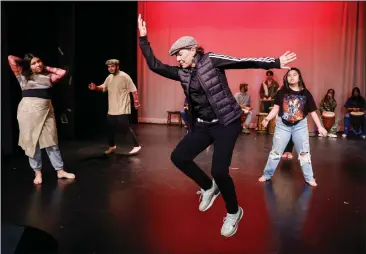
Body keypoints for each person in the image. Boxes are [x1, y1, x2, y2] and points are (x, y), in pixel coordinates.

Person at [138, 14, 297, 237]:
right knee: (179, 157)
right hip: (203, 125)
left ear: (193, 49)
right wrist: (143, 39)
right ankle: (207, 187)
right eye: (175, 56)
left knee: (219, 171)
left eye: (180, 54)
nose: (177, 59)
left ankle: (234, 212)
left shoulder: (211, 60)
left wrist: (276, 62)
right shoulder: (182, 74)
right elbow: (155, 66)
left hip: (226, 123)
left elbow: (243, 62)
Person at [8, 53, 75, 185]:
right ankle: (37, 172)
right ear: (28, 66)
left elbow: (62, 72)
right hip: (28, 112)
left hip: (46, 111)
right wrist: (25, 62)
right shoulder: (22, 76)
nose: (37, 64)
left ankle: (60, 171)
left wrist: (45, 67)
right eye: (34, 63)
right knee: (32, 143)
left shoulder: (48, 76)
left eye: (39, 61)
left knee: (51, 141)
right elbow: (10, 58)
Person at [258, 68, 327, 187]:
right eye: (289, 75)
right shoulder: (281, 92)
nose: (292, 77)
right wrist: (267, 119)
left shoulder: (306, 93)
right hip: (282, 125)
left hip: (300, 126)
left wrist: (320, 127)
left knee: (304, 153)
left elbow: (313, 112)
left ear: (299, 77)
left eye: (295, 75)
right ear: (286, 78)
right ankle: (267, 174)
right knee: (275, 152)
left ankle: (309, 177)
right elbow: (276, 108)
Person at [88, 59, 142, 155]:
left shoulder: (125, 76)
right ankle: (112, 146)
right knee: (109, 128)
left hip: (122, 108)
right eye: (109, 67)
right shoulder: (109, 77)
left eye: (112, 66)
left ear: (117, 66)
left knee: (125, 128)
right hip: (112, 109)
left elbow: (134, 90)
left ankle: (136, 146)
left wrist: (136, 103)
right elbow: (104, 87)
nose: (110, 68)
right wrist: (96, 87)